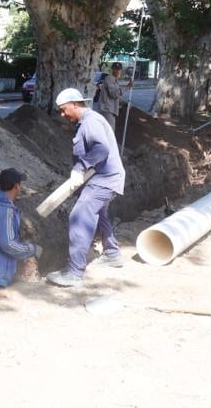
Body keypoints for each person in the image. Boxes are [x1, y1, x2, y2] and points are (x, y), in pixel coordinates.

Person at [46, 88, 125, 288]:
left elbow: (101, 149)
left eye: (64, 110)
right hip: (102, 178)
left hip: (104, 179)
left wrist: (80, 168)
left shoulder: (91, 122)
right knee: (101, 215)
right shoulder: (87, 122)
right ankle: (112, 254)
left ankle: (74, 272)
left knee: (79, 216)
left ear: (75, 103)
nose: (62, 115)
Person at [0, 168, 42, 287]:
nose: (21, 186)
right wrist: (32, 249)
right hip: (1, 269)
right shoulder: (6, 211)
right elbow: (8, 244)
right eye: (20, 183)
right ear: (16, 186)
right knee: (0, 291)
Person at [95, 62, 132, 132]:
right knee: (109, 133)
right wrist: (127, 87)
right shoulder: (109, 79)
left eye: (119, 70)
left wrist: (124, 103)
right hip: (107, 110)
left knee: (108, 133)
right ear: (112, 70)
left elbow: (116, 97)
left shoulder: (115, 80)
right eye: (116, 69)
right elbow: (114, 94)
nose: (118, 71)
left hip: (110, 110)